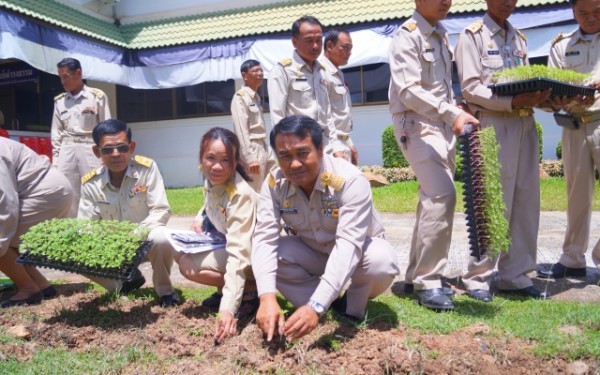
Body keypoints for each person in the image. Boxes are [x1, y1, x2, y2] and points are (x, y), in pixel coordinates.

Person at [252, 115, 398, 342]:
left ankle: (347, 307)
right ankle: (320, 305)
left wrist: (317, 305)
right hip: (313, 251)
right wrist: (267, 297)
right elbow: (264, 239)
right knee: (273, 253)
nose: (294, 164)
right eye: (284, 156)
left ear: (320, 149)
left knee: (381, 260)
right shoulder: (274, 184)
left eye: (302, 153)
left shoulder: (349, 180)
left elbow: (349, 246)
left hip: (358, 254)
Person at [454, 0, 552, 301]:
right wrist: (511, 102)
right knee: (492, 201)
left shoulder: (519, 37)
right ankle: (478, 277)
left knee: (525, 200)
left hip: (524, 124)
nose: (507, 2)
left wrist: (546, 99)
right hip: (494, 124)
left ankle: (516, 275)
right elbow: (470, 88)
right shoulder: (472, 36)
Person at [388, 0, 479, 311]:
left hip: (441, 125)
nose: (445, 2)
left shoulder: (440, 33)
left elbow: (442, 86)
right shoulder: (407, 35)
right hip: (415, 124)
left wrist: (455, 109)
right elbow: (408, 90)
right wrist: (449, 111)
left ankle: (414, 278)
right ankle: (430, 281)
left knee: (432, 199)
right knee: (442, 195)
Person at [78, 119, 179, 307]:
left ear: (131, 147)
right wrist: (105, 246)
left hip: (145, 242)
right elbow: (85, 225)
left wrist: (137, 234)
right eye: (108, 149)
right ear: (97, 151)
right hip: (112, 248)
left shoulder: (147, 169)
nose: (116, 154)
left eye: (122, 148)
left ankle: (165, 292)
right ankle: (124, 283)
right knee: (75, 251)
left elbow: (161, 209)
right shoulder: (90, 183)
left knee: (161, 237)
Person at [174, 127, 259, 344]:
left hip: (254, 257)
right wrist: (198, 217)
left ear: (235, 161)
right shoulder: (212, 181)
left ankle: (250, 292)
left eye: (225, 160)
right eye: (210, 158)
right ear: (201, 159)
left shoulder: (240, 196)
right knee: (176, 248)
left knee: (188, 265)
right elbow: (209, 202)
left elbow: (239, 255)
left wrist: (227, 310)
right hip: (230, 244)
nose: (217, 166)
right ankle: (227, 290)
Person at [537, 0, 600, 279]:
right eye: (583, 12)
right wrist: (560, 98)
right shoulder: (561, 45)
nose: (590, 18)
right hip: (574, 126)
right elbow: (554, 92)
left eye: (598, 11)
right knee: (577, 195)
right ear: (573, 12)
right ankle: (572, 258)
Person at [0, 137, 73, 308]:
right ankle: (41, 285)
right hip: (48, 192)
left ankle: (28, 289)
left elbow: (5, 201)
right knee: (10, 240)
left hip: (45, 194)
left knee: (4, 240)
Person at [267, 15, 345, 159]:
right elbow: (277, 116)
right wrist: (285, 152)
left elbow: (326, 113)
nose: (315, 46)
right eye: (309, 41)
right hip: (298, 147)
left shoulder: (322, 70)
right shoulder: (283, 71)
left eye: (319, 40)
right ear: (294, 42)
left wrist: (336, 146)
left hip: (324, 145)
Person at [52, 57, 112, 217]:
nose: (62, 81)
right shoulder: (60, 102)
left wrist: (104, 154)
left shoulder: (96, 96)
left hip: (90, 147)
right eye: (60, 77)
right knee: (67, 191)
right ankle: (72, 230)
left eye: (65, 76)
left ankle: (97, 225)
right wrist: (56, 160)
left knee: (95, 186)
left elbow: (106, 128)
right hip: (67, 149)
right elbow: (56, 133)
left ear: (78, 73)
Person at [231, 60, 276, 192]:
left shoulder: (255, 97)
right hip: (252, 148)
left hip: (263, 146)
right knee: (254, 190)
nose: (260, 73)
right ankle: (253, 213)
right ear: (245, 75)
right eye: (255, 71)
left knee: (270, 186)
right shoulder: (240, 98)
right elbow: (241, 130)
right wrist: (249, 158)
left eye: (261, 70)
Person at [320, 28, 358, 165]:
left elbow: (341, 116)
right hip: (330, 144)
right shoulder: (321, 73)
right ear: (329, 46)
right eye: (345, 48)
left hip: (342, 142)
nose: (349, 53)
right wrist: (335, 148)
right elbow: (324, 115)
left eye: (350, 48)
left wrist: (349, 142)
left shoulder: (337, 73)